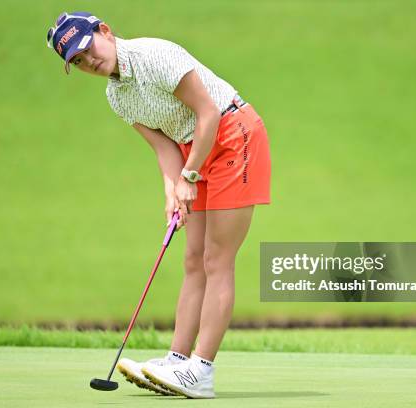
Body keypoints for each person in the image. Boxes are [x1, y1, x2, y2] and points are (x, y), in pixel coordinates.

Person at [46, 11, 271, 399]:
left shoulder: (154, 55)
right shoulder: (116, 95)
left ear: (104, 31)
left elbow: (209, 112)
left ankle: (201, 370)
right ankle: (177, 359)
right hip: (193, 149)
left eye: (88, 49)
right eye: (78, 63)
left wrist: (189, 176)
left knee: (217, 259)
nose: (90, 62)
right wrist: (172, 191)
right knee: (193, 259)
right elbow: (164, 146)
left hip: (235, 135)